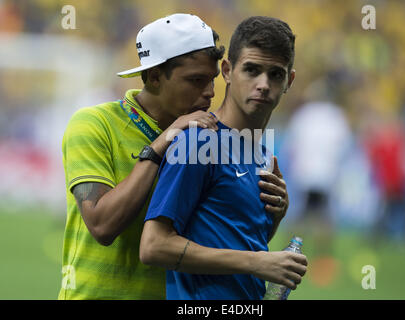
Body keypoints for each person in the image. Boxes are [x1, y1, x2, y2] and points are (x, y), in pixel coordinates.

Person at [140, 16, 308, 300]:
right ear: (227, 71)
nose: (264, 84)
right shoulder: (198, 141)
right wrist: (258, 263)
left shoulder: (263, 154)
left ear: (289, 80)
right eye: (252, 70)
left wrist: (276, 219)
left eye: (276, 74)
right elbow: (154, 246)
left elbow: (229, 241)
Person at [59, 13, 225, 300]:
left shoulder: (204, 139)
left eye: (212, 79)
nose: (210, 92)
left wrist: (274, 213)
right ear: (154, 76)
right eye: (196, 80)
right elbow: (102, 225)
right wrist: (160, 144)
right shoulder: (92, 124)